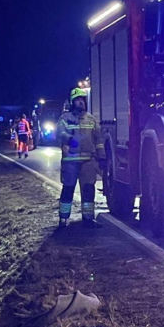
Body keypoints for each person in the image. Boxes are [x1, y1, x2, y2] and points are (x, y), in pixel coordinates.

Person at [56, 87, 106, 228]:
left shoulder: (91, 119)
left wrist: (102, 157)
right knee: (68, 190)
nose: (81, 102)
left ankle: (88, 219)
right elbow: (59, 133)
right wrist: (69, 139)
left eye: (82, 100)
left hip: (88, 161)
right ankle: (63, 219)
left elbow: (99, 139)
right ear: (72, 102)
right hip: (70, 162)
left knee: (89, 190)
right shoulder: (65, 119)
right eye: (78, 100)